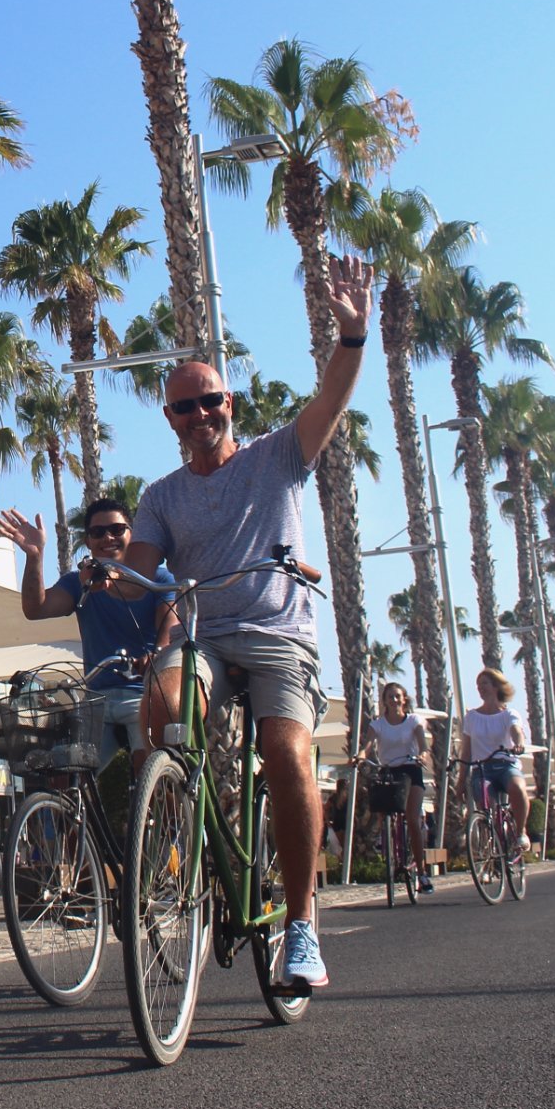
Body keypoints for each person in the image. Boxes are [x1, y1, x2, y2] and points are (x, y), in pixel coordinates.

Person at [126, 254, 375, 990]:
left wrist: (353, 336)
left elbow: (329, 399)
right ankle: (186, 825)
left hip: (277, 638)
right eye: (184, 407)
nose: (201, 415)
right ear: (168, 420)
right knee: (166, 705)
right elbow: (142, 569)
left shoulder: (278, 458)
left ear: (231, 404)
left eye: (212, 402)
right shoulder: (161, 495)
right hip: (206, 640)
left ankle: (301, 926)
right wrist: (112, 578)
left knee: (287, 752)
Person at [0, 498, 175, 772]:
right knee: (69, 778)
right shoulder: (79, 582)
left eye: (117, 529)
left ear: (132, 534)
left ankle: (150, 809)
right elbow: (36, 608)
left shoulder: (158, 579)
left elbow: (168, 631)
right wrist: (34, 556)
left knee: (150, 770)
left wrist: (155, 655)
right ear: (88, 542)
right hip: (95, 699)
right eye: (97, 532)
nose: (108, 538)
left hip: (143, 695)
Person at [353, 681, 434, 893]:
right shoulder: (378, 725)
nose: (394, 699)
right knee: (382, 809)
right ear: (385, 701)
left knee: (413, 819)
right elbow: (368, 746)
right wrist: (360, 756)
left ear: (404, 699)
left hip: (411, 769)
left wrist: (423, 755)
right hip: (389, 771)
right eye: (390, 696)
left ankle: (423, 872)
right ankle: (390, 852)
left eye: (398, 696)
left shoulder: (414, 721)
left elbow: (422, 742)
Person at [460, 667, 529, 848]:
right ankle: (491, 847)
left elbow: (516, 731)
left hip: (505, 765)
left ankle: (521, 832)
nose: (480, 688)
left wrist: (518, 743)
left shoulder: (509, 714)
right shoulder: (472, 717)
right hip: (482, 769)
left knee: (517, 789)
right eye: (478, 685)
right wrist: (460, 780)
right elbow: (466, 751)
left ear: (496, 686)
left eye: (484, 683)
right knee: (486, 805)